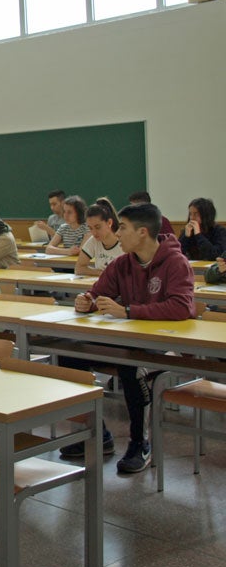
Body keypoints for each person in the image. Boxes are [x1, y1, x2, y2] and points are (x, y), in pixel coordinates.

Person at [65, 202, 195, 473]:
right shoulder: (123, 263)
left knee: (130, 364)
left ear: (142, 232)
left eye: (122, 227)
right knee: (69, 353)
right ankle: (96, 433)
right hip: (130, 341)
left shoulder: (175, 262)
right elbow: (99, 291)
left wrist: (128, 311)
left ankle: (140, 442)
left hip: (166, 348)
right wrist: (86, 301)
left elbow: (182, 307)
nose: (118, 233)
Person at [75, 198, 123, 276]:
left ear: (109, 223)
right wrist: (103, 274)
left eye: (98, 227)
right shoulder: (94, 241)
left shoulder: (124, 242)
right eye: (90, 228)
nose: (94, 233)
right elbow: (79, 268)